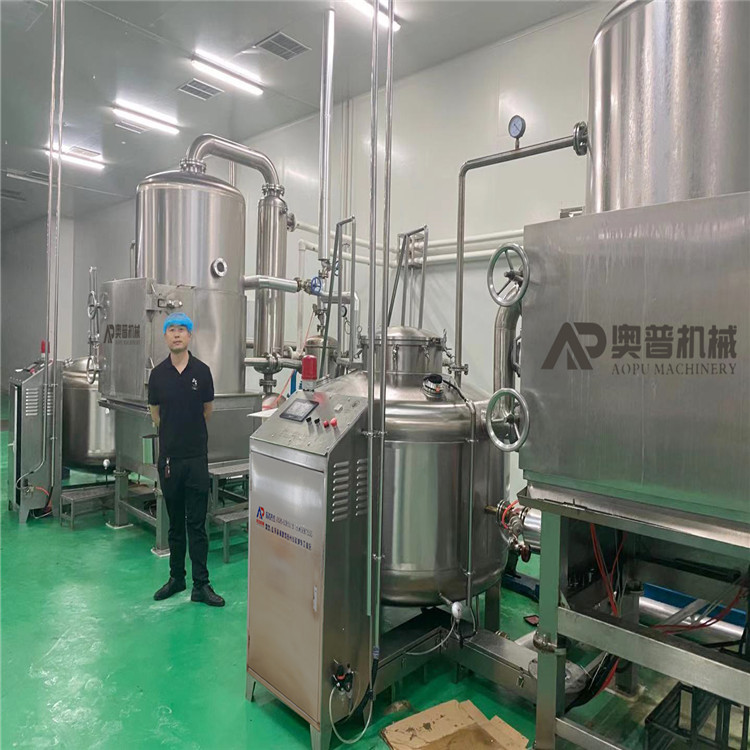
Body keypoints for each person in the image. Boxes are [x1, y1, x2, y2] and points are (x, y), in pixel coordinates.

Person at [147, 312, 225, 607]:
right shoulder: (158, 375)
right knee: (175, 524)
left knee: (197, 524)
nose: (177, 334)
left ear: (190, 336)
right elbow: (156, 414)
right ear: (165, 336)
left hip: (196, 460)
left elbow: (207, 410)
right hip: (170, 460)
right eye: (172, 330)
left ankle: (200, 585)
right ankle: (176, 578)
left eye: (182, 329)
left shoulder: (202, 372)